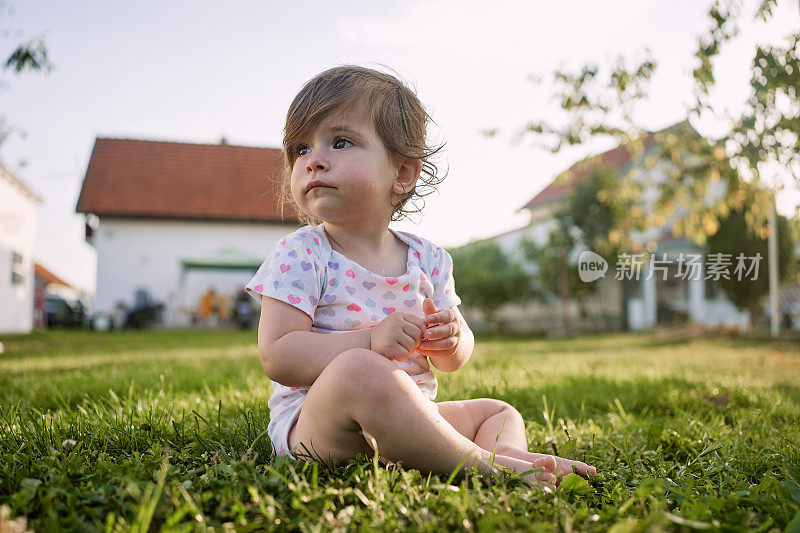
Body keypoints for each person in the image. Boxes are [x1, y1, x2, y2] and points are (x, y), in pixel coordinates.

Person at [246, 65, 595, 491]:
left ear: (403, 174)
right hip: (321, 426)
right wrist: (368, 341)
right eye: (300, 149)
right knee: (360, 369)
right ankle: (484, 466)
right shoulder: (301, 253)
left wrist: (453, 339)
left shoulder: (428, 258)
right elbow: (278, 356)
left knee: (497, 412)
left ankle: (509, 456)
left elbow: (451, 359)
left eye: (340, 142)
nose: (313, 159)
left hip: (412, 417)